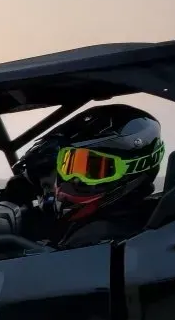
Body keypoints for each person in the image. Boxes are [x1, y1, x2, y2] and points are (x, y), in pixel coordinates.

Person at [46, 103, 165, 249]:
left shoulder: (96, 236)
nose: (75, 178)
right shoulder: (143, 216)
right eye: (70, 164)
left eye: (95, 168)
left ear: (136, 167)